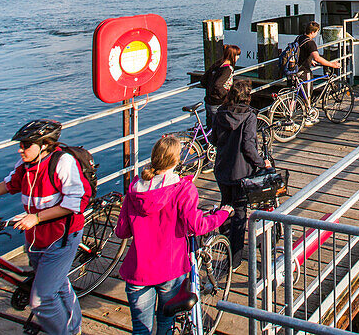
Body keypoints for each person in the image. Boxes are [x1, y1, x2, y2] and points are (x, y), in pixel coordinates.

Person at [0, 120, 91, 335]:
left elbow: (77, 202)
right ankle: (73, 327)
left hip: (62, 238)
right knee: (57, 285)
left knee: (42, 300)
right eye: (20, 145)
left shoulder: (63, 162)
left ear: (44, 145)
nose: (20, 149)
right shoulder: (27, 166)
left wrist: (37, 218)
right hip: (36, 238)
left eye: (25, 145)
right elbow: (8, 185)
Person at [114, 135, 230, 335]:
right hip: (170, 267)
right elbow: (197, 226)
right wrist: (223, 214)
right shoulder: (182, 189)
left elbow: (121, 231)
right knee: (166, 323)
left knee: (140, 330)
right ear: (176, 161)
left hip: (138, 269)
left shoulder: (134, 189)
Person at [210, 78, 272, 264]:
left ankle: (224, 242)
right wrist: (262, 163)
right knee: (239, 213)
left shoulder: (220, 113)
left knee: (225, 206)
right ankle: (235, 258)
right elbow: (248, 145)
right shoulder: (250, 116)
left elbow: (213, 139)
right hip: (241, 172)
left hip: (222, 168)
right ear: (247, 97)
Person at [293, 21, 342, 126]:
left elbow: (301, 53)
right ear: (313, 32)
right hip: (304, 71)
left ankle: (292, 117)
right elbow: (317, 57)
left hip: (294, 70)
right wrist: (331, 64)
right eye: (317, 32)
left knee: (295, 95)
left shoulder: (299, 38)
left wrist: (310, 60)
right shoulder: (311, 43)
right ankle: (307, 118)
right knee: (307, 95)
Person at [201, 44, 241, 128]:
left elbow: (203, 81)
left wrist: (209, 89)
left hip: (209, 100)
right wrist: (226, 95)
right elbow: (218, 85)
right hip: (218, 102)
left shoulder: (217, 65)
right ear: (232, 55)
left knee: (210, 127)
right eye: (237, 55)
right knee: (220, 128)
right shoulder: (227, 69)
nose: (238, 58)